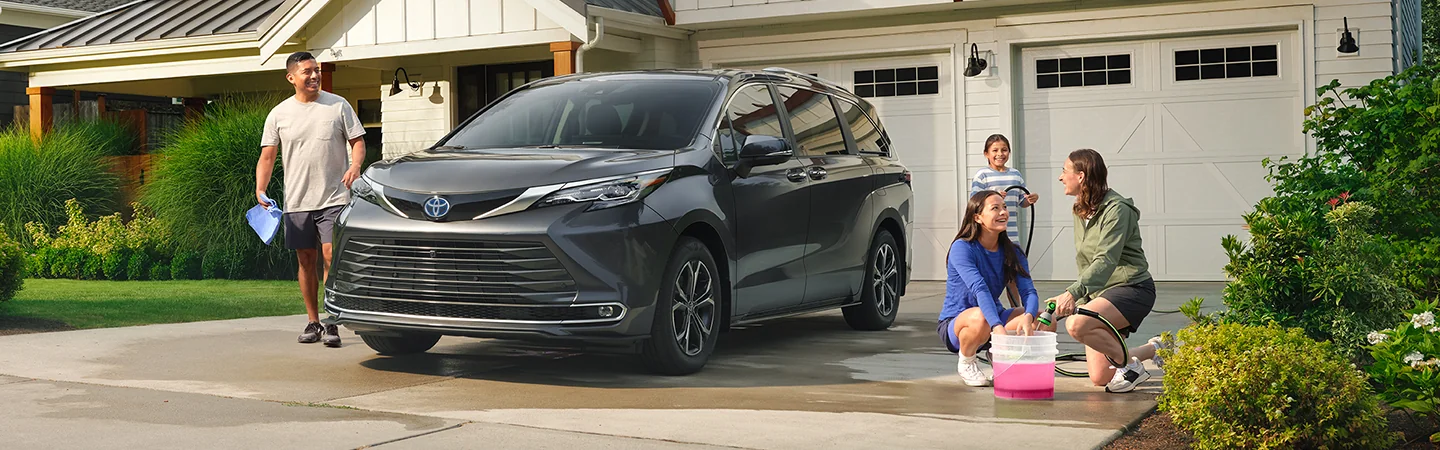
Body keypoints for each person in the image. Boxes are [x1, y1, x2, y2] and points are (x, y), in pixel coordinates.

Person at [255, 51, 366, 347]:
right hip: (297, 201)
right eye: (307, 71)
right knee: (306, 260)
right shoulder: (279, 114)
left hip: (334, 197)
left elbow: (357, 141)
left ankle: (333, 322)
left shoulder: (338, 105)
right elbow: (268, 155)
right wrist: (260, 189)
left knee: (331, 256)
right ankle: (313, 321)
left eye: (316, 70)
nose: (314, 75)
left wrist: (355, 166)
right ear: (292, 77)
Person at [1046, 149, 1169, 393]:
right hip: (1101, 295)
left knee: (1077, 325)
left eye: (1064, 171)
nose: (1060, 177)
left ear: (1080, 176)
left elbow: (1106, 259)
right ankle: (1156, 348)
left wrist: (1072, 294)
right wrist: (1075, 301)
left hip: (1131, 289)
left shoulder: (1117, 210)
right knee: (1100, 376)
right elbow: (1086, 262)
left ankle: (1131, 369)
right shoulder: (1079, 210)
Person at [939, 190, 1041, 387]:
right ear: (977, 217)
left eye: (1004, 207)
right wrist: (998, 327)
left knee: (1045, 319)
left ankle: (999, 357)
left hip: (993, 320)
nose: (1003, 212)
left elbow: (1028, 291)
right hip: (959, 324)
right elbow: (980, 289)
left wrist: (1028, 316)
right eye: (995, 208)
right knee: (980, 316)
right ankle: (967, 361)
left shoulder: (1013, 251)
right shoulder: (962, 248)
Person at [970, 134, 1039, 244]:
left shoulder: (1015, 175)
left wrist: (1031, 199)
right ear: (986, 154)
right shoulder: (982, 175)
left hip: (1011, 233)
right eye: (995, 150)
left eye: (1004, 150)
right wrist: (994, 198)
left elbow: (1022, 202)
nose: (1000, 154)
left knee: (1012, 260)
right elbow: (975, 203)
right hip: (989, 234)